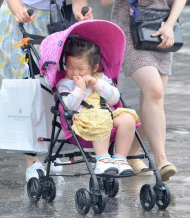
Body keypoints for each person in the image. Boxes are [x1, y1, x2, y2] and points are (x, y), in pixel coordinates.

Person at [0, 0, 103, 181]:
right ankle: (32, 161)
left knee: (50, 89)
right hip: (18, 23)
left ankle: (49, 152)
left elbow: (79, 0)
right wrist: (19, 10)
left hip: (51, 28)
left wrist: (82, 13)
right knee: (25, 90)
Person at [100, 0, 189, 182]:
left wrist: (170, 24)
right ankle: (161, 160)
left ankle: (130, 152)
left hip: (161, 32)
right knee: (154, 91)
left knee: (154, 100)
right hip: (129, 32)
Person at [58, 36, 138, 176]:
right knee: (99, 117)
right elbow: (68, 106)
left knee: (128, 118)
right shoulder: (66, 84)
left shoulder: (101, 79)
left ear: (94, 68)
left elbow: (114, 99)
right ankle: (102, 159)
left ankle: (120, 158)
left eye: (81, 69)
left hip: (106, 116)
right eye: (70, 67)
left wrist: (96, 84)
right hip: (82, 122)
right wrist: (80, 90)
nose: (75, 73)